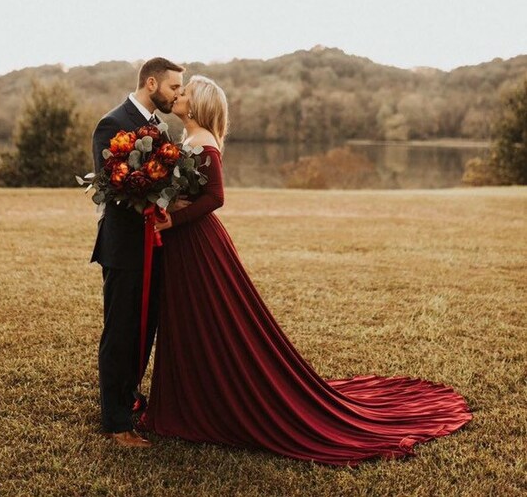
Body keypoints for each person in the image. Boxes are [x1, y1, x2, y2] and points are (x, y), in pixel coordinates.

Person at [139, 75, 472, 465]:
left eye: (186, 93)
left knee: (213, 324)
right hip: (185, 244)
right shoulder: (188, 140)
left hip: (197, 245)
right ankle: (189, 401)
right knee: (189, 323)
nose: (178, 96)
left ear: (197, 106)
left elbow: (215, 197)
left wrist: (173, 222)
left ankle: (205, 406)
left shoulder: (203, 142)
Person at [91, 57, 186, 447]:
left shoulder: (160, 127)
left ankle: (129, 400)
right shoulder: (111, 124)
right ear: (152, 83)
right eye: (174, 88)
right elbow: (109, 184)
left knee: (144, 330)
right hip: (125, 248)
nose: (178, 95)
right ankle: (115, 424)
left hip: (155, 245)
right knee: (121, 332)